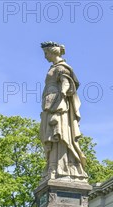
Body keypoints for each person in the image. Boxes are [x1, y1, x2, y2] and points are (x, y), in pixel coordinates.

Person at [40, 41, 87, 180]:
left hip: (58, 104)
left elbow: (66, 81)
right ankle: (52, 167)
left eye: (46, 53)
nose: (45, 56)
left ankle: (64, 167)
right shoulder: (53, 67)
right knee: (52, 137)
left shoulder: (62, 68)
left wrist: (63, 92)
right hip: (50, 104)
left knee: (59, 134)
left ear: (53, 52)